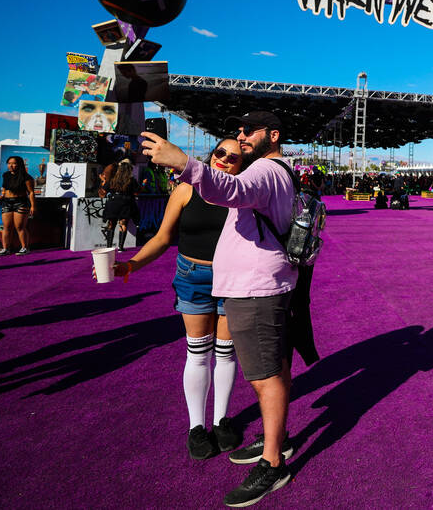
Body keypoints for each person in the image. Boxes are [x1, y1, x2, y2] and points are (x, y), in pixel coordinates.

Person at [141, 111, 299, 508]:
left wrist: (183, 162)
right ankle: (273, 438)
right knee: (273, 368)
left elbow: (229, 191)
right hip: (255, 286)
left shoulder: (264, 169)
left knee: (266, 376)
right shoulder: (273, 169)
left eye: (249, 131)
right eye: (238, 131)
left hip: (255, 289)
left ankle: (272, 462)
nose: (242, 136)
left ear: (272, 135)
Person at [103, 137, 244, 460]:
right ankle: (197, 427)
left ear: (241, 164)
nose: (223, 159)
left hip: (232, 278)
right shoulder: (186, 189)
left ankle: (221, 420)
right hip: (192, 276)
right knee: (197, 352)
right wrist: (131, 264)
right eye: (219, 153)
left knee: (225, 353)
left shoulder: (241, 194)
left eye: (232, 157)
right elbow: (164, 237)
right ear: (210, 156)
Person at [0, 156, 36, 256]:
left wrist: (33, 206)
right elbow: (4, 188)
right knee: (6, 227)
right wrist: (2, 196)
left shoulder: (26, 177)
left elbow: (31, 192)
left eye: (13, 163)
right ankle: (5, 249)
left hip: (21, 202)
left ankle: (25, 248)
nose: (11, 165)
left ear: (19, 164)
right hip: (7, 202)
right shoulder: (6, 175)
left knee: (20, 227)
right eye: (9, 163)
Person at [101, 159, 141, 252]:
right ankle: (120, 247)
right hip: (125, 203)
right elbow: (137, 192)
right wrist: (143, 184)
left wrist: (103, 182)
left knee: (111, 224)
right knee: (123, 224)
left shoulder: (113, 179)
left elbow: (103, 190)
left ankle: (109, 247)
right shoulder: (131, 180)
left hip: (113, 203)